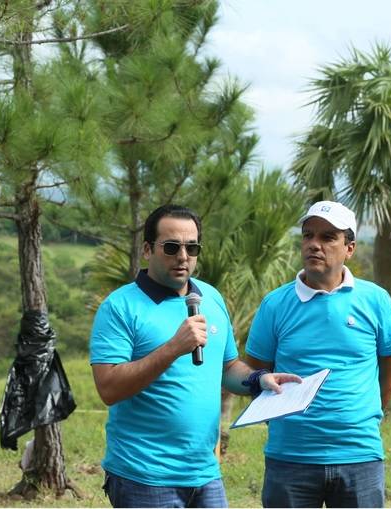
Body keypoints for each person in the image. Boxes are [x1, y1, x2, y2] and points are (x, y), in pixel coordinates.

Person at [89, 204, 301, 508]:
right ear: (147, 250)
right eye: (172, 246)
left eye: (192, 247)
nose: (183, 256)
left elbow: (228, 367)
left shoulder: (209, 298)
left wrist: (257, 379)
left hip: (205, 474)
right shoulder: (120, 307)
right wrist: (173, 348)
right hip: (144, 477)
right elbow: (108, 388)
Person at [245, 201, 391, 508]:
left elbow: (390, 374)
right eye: (308, 235)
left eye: (328, 237)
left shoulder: (376, 300)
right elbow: (255, 376)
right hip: (290, 458)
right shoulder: (275, 304)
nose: (314, 245)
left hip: (359, 456)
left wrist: (360, 418)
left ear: (350, 248)